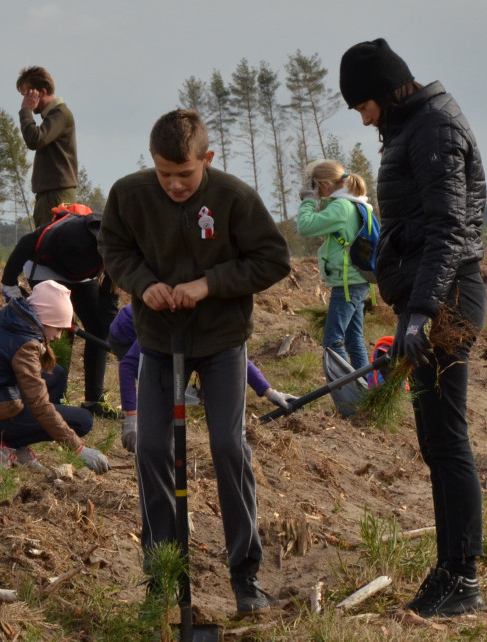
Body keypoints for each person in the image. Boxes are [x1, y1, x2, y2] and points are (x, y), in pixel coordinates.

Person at [99, 109, 291, 614]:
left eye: (185, 174)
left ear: (206, 158)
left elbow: (273, 259)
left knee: (230, 447)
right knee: (151, 450)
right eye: (165, 173)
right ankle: (162, 575)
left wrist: (208, 285)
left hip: (223, 339)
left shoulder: (232, 197)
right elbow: (114, 249)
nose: (175, 184)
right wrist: (145, 284)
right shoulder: (130, 194)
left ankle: (245, 576)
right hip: (159, 342)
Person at [340, 38, 486, 617]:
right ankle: (449, 568)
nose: (362, 116)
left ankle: (464, 578)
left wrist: (423, 312)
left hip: (448, 300)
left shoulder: (433, 128)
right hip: (432, 295)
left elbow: (450, 228)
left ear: (382, 92)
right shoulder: (411, 127)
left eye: (362, 105)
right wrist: (380, 256)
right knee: (433, 440)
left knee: (447, 441)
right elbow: (418, 224)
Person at [0, 280, 110, 474]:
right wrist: (79, 448)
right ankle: (4, 443)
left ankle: (18, 441)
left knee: (56, 374)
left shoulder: (10, 321)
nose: (59, 336)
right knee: (83, 420)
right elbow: (40, 405)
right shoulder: (25, 343)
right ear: (45, 319)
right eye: (58, 328)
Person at [108, 305, 296, 452]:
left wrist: (270, 392)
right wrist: (131, 418)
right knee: (155, 380)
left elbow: (239, 361)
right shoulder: (164, 324)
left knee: (173, 377)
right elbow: (127, 366)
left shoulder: (212, 326)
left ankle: (184, 393)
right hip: (124, 333)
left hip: (178, 334)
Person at [0, 206, 118, 416]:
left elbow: (107, 307)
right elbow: (28, 242)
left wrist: (110, 336)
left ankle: (94, 401)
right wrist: (9, 282)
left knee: (98, 328)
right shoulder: (75, 235)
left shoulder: (120, 253)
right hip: (47, 265)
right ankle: (55, 396)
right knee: (59, 329)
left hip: (82, 274)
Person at [296, 159, 372, 372]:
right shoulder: (353, 202)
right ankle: (364, 388)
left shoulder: (341, 207)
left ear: (325, 186)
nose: (315, 192)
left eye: (315, 187)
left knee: (332, 343)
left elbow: (305, 226)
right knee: (353, 339)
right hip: (357, 281)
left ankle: (348, 391)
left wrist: (308, 201)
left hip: (347, 285)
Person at [16, 66, 78, 227]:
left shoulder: (60, 114)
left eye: (28, 94)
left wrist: (25, 111)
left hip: (58, 196)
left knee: (54, 247)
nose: (25, 100)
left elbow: (35, 140)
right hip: (50, 195)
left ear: (42, 92)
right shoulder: (53, 117)